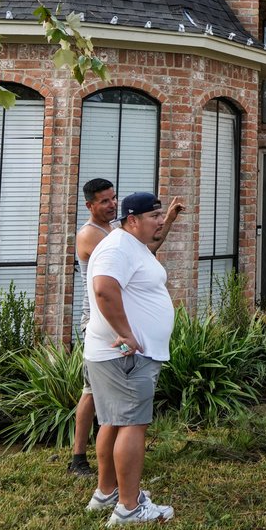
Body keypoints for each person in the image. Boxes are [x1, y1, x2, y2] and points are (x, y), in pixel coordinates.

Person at [69, 180, 182, 477]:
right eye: (104, 201)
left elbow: (145, 250)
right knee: (94, 394)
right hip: (104, 325)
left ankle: (110, 476)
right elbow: (107, 286)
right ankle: (79, 458)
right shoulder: (94, 236)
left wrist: (167, 221)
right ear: (89, 205)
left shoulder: (116, 234)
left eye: (113, 198)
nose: (111, 205)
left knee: (114, 409)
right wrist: (125, 333)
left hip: (120, 326)